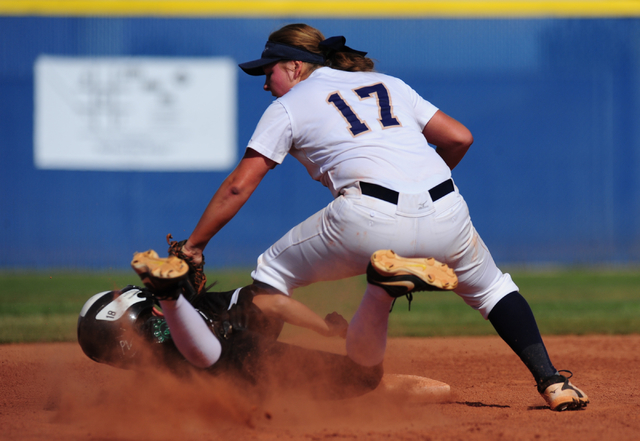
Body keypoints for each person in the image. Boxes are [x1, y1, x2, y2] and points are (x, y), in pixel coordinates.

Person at [173, 23, 588, 411]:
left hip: (366, 218)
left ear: (294, 66)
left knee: (270, 278)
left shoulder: (289, 105)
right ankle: (553, 382)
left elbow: (238, 186)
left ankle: (241, 395)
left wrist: (194, 247)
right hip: (447, 209)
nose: (265, 82)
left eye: (268, 71)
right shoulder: (390, 84)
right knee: (493, 289)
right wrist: (417, 191)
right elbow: (461, 137)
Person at [77, 249, 382, 400]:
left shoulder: (153, 363)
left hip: (243, 365)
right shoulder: (200, 314)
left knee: (360, 379)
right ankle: (381, 291)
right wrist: (326, 329)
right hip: (248, 358)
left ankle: (381, 290)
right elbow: (274, 302)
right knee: (365, 378)